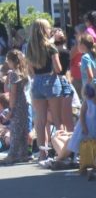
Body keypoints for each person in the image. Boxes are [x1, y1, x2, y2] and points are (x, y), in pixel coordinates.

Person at [26, 18, 62, 160]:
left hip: (37, 82)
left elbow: (30, 71)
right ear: (44, 30)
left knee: (40, 121)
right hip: (51, 80)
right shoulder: (51, 47)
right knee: (57, 119)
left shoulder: (29, 47)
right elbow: (58, 69)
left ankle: (42, 153)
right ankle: (61, 150)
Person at [1, 50, 30, 165]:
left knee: (15, 129)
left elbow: (12, 93)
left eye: (8, 60)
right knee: (23, 129)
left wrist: (11, 109)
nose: (7, 63)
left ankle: (12, 154)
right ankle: (23, 153)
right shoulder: (22, 72)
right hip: (24, 102)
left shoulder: (13, 74)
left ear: (11, 61)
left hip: (17, 103)